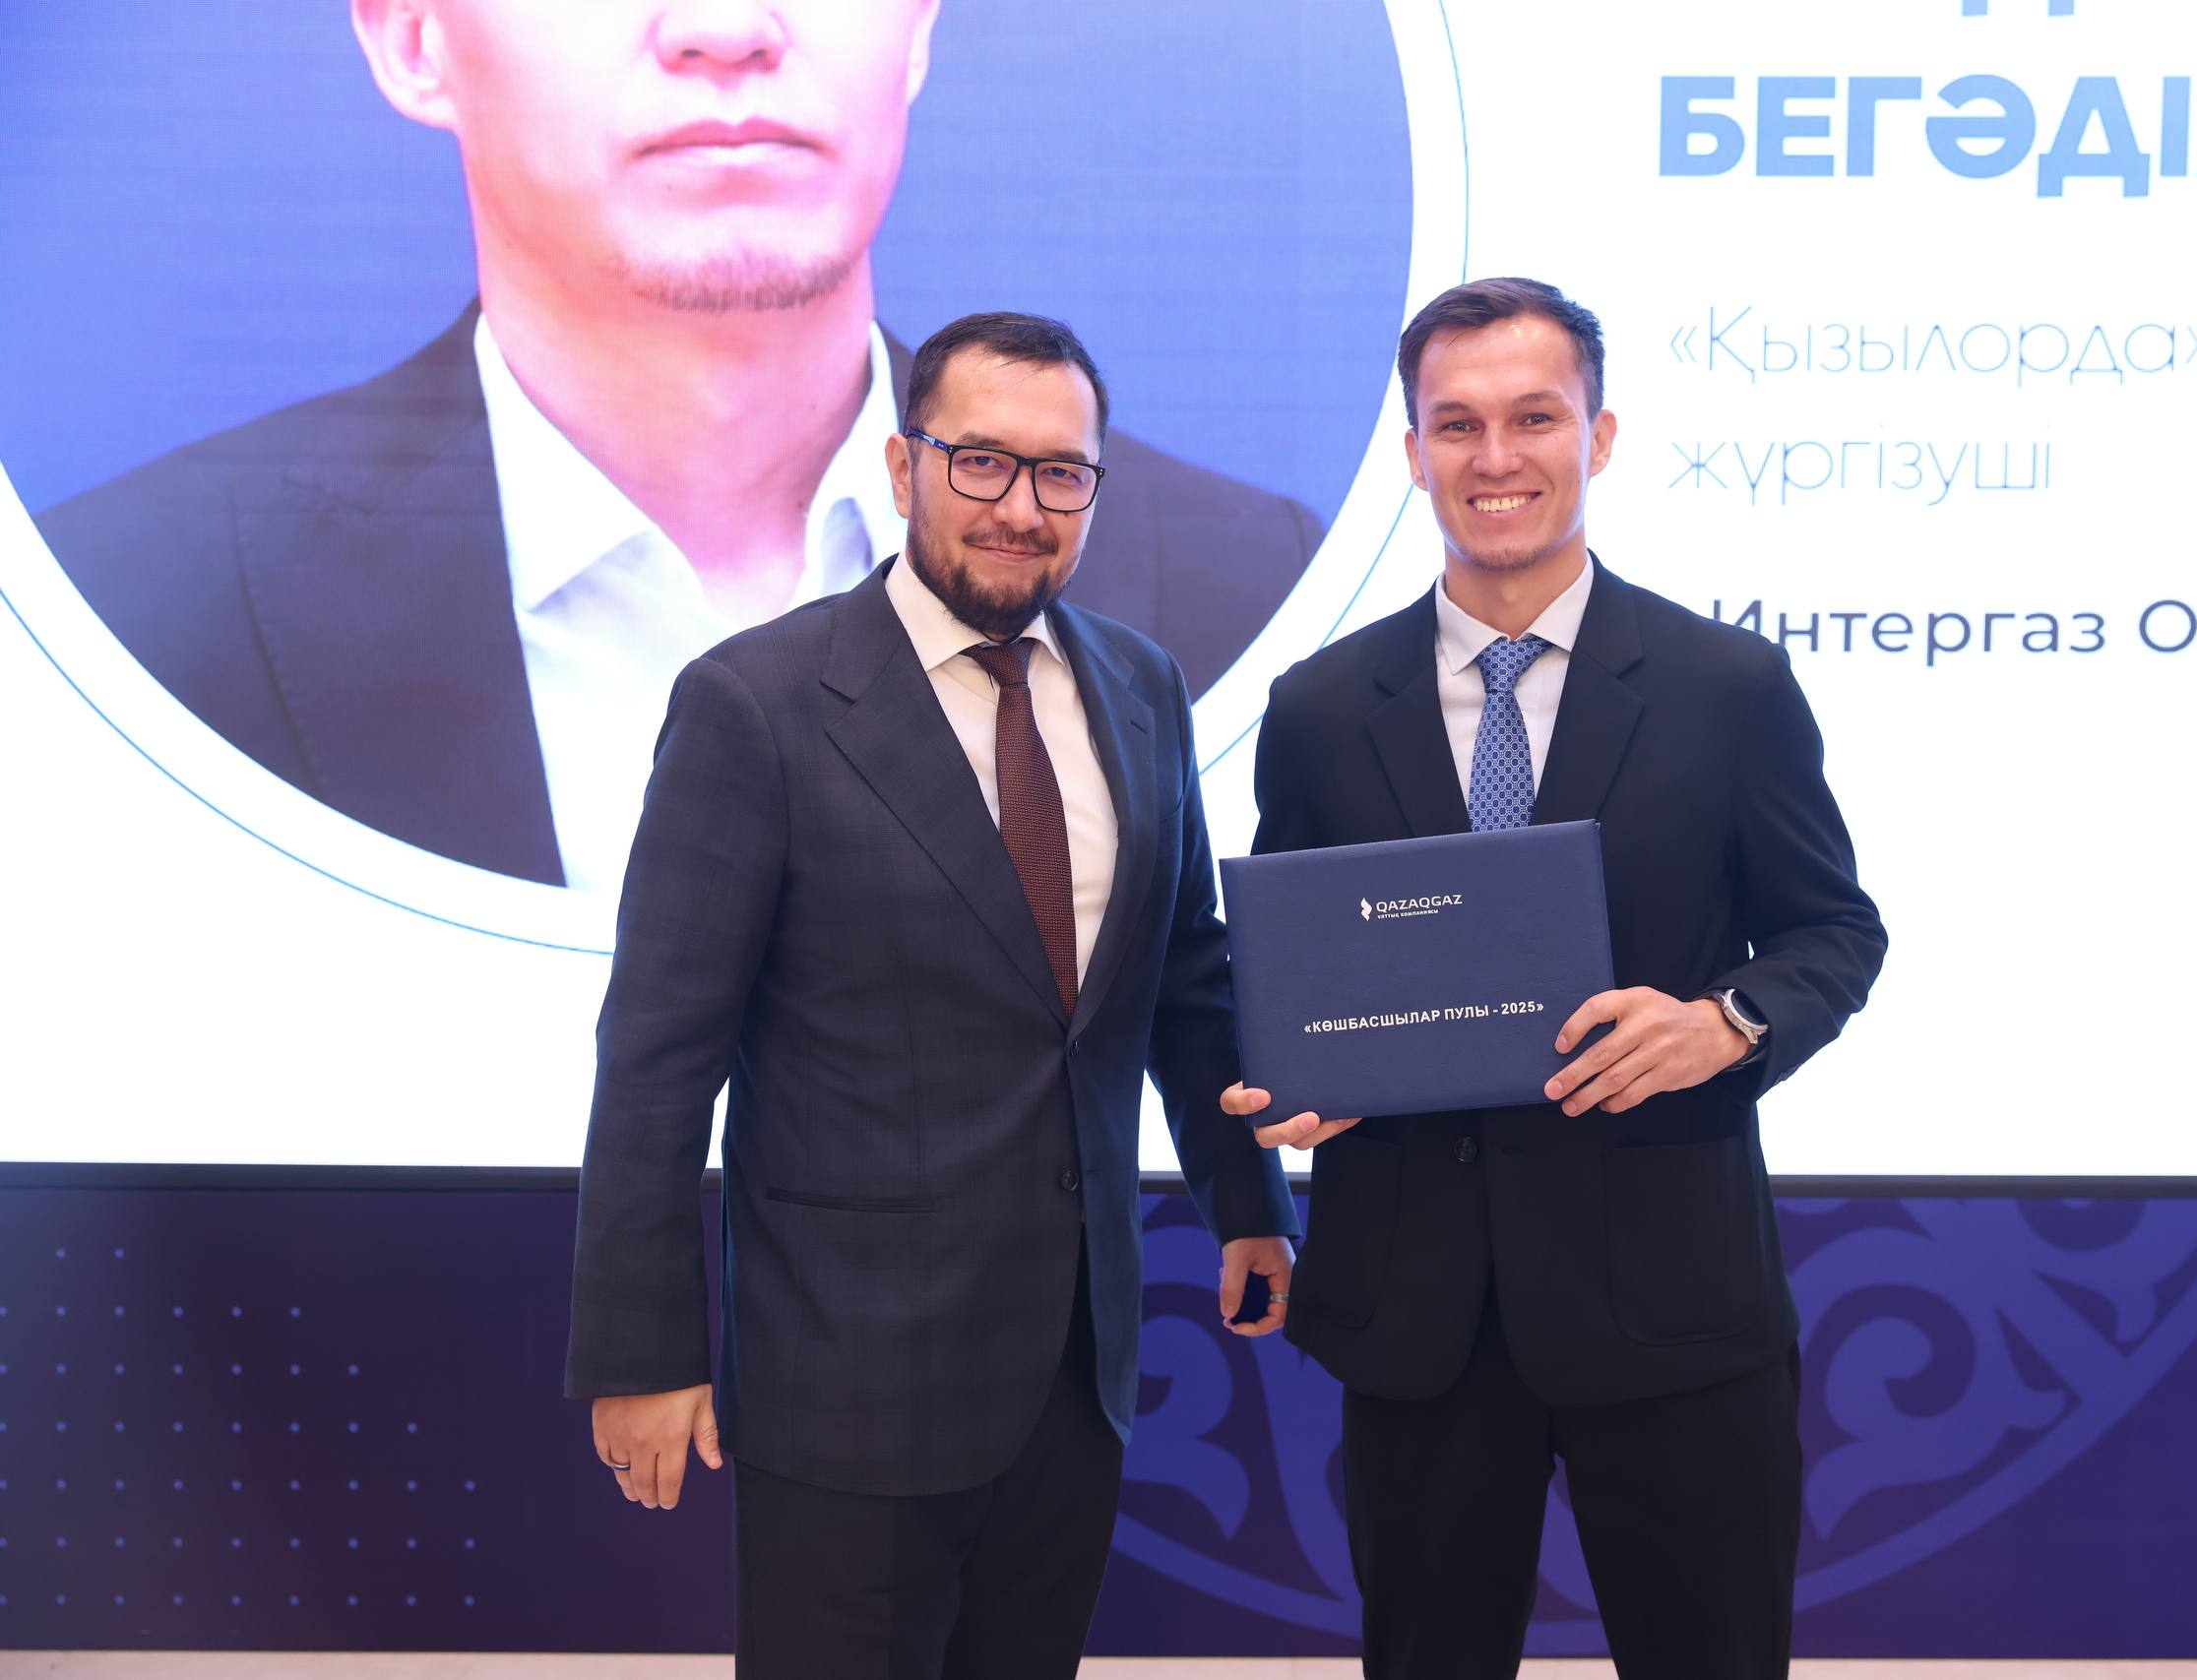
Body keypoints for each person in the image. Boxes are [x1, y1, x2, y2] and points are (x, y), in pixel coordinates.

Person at [33, 0, 1320, 894]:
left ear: (921, 27)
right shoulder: (130, 624)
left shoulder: (1251, 588)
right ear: (415, 37)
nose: (726, 27)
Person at [566, 311, 1297, 1678]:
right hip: (846, 1383)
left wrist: (1248, 1199)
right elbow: (658, 1057)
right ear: (903, 467)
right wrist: (642, 1352)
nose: (1022, 508)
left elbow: (1185, 977)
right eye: (982, 462)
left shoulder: (1141, 685)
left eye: (1061, 473)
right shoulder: (755, 705)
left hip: (1076, 1370)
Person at [1225, 278, 1887, 1677]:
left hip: (1671, 1298)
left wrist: (1728, 1023)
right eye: (1457, 424)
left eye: (1534, 417)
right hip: (1420, 1313)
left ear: (1601, 436)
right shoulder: (1321, 709)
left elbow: (1836, 934)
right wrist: (1291, 1078)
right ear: (1413, 451)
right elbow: (1290, 967)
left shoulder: (1727, 687)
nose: (1496, 457)